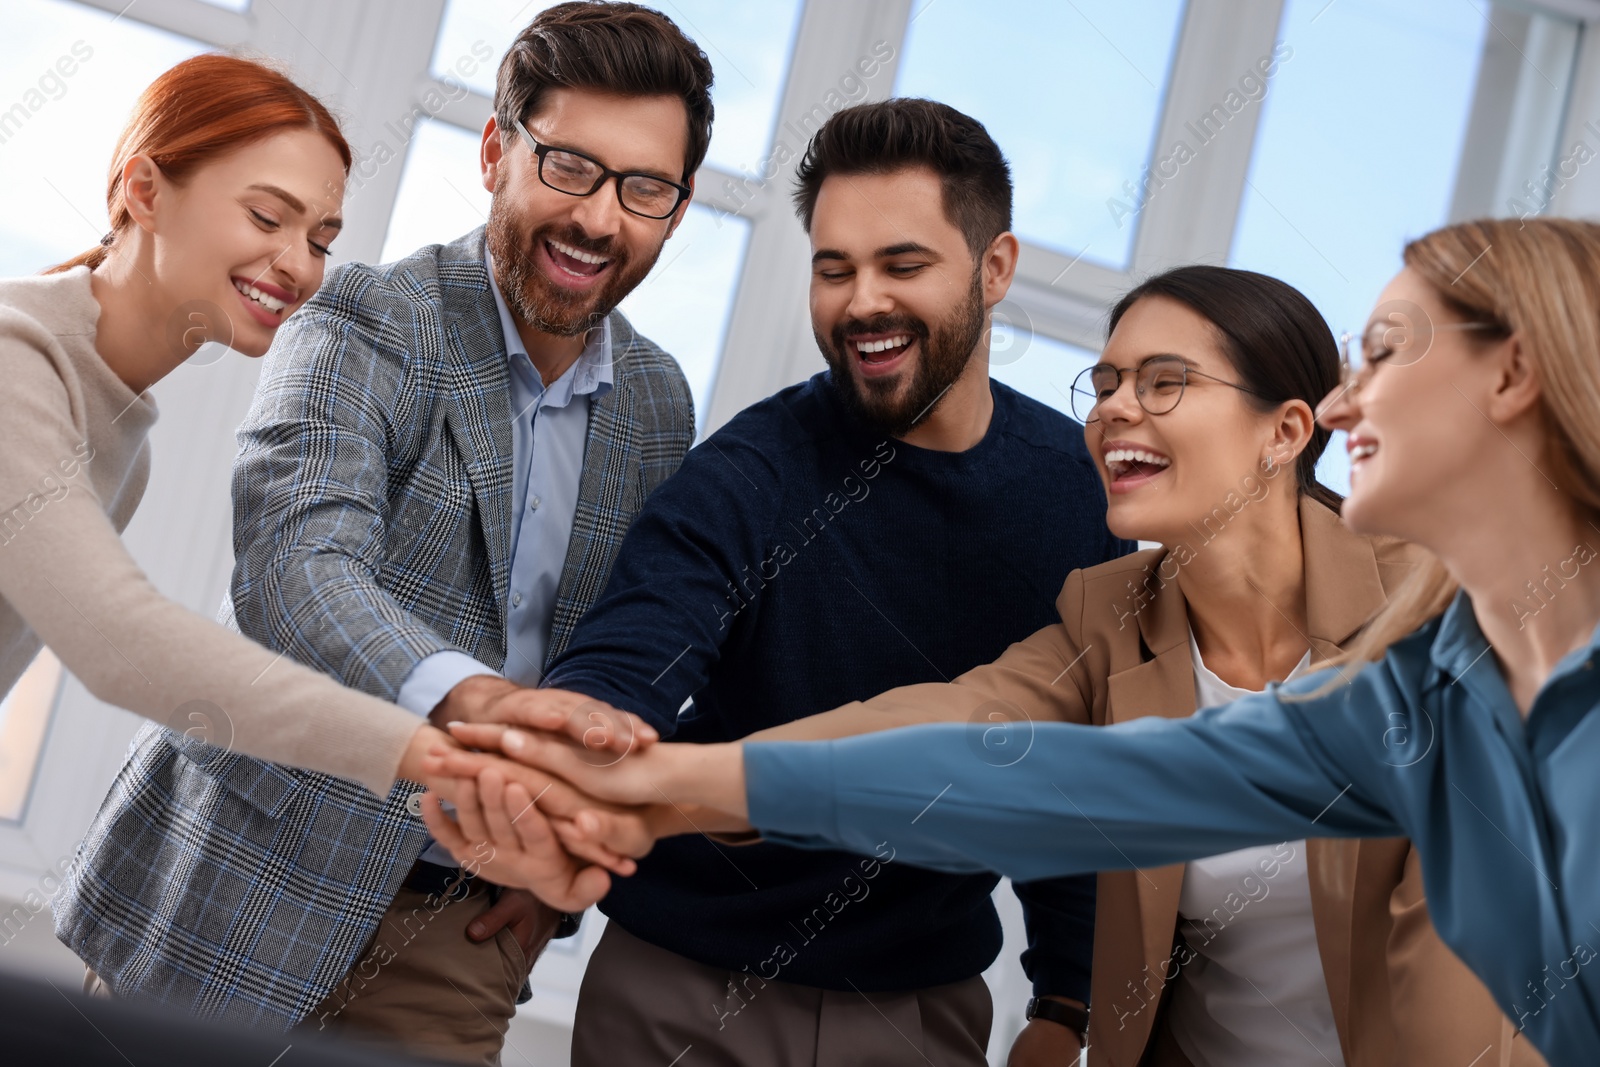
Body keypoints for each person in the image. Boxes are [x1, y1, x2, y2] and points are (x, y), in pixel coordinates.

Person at [436, 217, 1600, 1067]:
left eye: (1161, 381)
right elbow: (967, 736)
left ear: (1278, 432)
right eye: (1104, 381)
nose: (1108, 411)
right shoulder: (1119, 619)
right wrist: (657, 782)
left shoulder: (1457, 642)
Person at [54, 5, 705, 1063]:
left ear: (673, 211)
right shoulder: (364, 317)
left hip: (462, 923)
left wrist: (554, 891)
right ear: (497, 151)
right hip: (246, 871)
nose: (599, 218)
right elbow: (297, 565)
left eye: (645, 189)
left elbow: (638, 647)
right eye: (570, 167)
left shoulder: (660, 404)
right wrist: (479, 701)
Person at [438, 96, 1131, 1067]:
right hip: (677, 990)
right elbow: (630, 646)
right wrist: (564, 774)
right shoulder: (751, 470)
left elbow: (1078, 766)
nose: (860, 303)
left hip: (916, 1011)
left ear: (995, 267)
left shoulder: (1081, 505)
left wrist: (1064, 998)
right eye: (833, 268)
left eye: (902, 264)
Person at [0, 52, 467, 799]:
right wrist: (430, 752)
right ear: (144, 191)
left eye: (320, 240)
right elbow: (115, 641)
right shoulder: (13, 359)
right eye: (265, 216)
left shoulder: (125, 444)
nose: (296, 266)